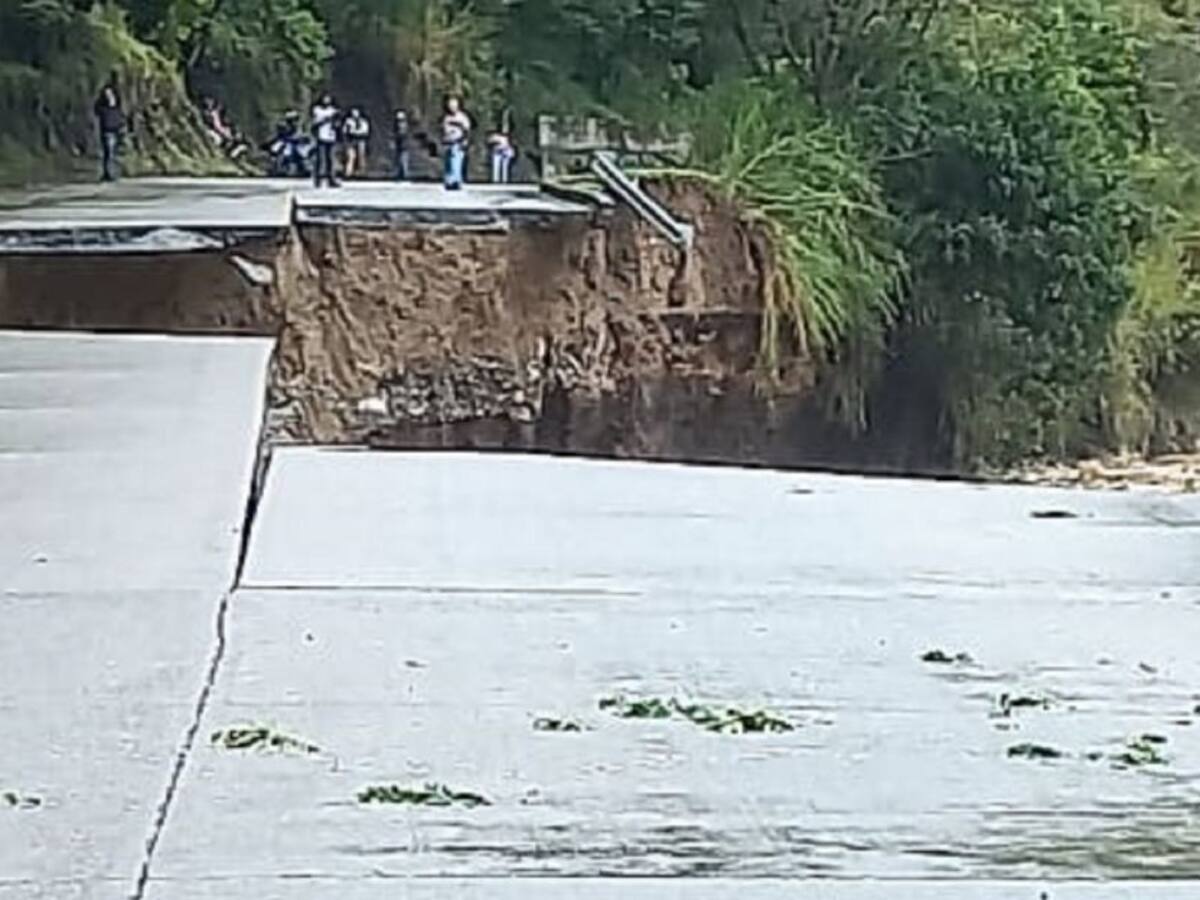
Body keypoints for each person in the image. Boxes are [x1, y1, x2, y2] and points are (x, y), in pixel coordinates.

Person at [93, 80, 124, 182]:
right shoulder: (102, 104)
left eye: (110, 93)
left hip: (115, 129)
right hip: (106, 129)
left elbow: (120, 114)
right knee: (108, 152)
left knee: (111, 153)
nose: (108, 95)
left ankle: (110, 173)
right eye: (106, 93)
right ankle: (108, 173)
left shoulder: (117, 104)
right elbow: (96, 111)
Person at [441, 96, 471, 190]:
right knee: (448, 163)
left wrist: (465, 140)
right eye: (450, 105)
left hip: (458, 142)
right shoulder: (446, 117)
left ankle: (456, 181)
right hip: (448, 142)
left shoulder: (462, 117)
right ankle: (449, 181)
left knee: (456, 162)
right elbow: (443, 129)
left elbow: (467, 130)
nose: (452, 107)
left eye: (454, 105)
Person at [311, 93, 341, 188]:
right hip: (321, 136)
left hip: (331, 136)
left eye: (328, 99)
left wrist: (335, 122)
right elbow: (315, 123)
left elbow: (337, 123)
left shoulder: (333, 110)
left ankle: (331, 179)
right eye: (325, 99)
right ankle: (318, 179)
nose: (326, 101)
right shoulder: (317, 110)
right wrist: (325, 120)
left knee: (330, 159)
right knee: (320, 159)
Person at [342, 107, 371, 178]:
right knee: (351, 157)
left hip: (361, 140)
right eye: (353, 112)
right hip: (351, 140)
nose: (355, 114)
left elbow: (365, 131)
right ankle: (348, 173)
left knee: (362, 156)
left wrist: (357, 132)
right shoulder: (348, 121)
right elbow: (345, 130)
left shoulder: (363, 121)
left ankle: (362, 173)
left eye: (356, 112)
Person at [393, 110, 411, 181]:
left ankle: (404, 174)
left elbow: (403, 134)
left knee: (403, 159)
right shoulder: (396, 125)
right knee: (399, 159)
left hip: (404, 144)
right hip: (399, 144)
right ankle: (400, 173)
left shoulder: (404, 125)